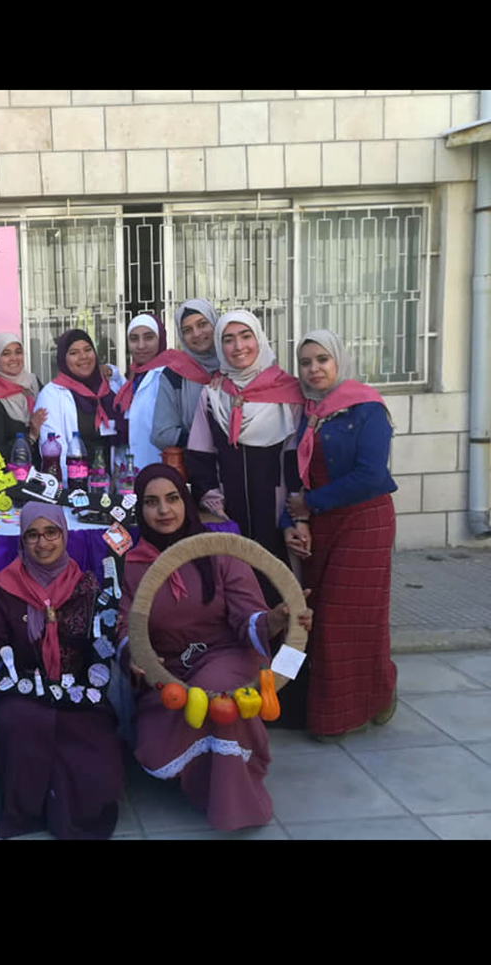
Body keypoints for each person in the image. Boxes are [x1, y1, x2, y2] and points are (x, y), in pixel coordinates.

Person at [118, 463, 312, 831]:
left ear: (186, 501)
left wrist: (276, 619)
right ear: (139, 509)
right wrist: (136, 655)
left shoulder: (219, 550)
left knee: (218, 696)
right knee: (168, 727)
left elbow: (247, 615)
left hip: (225, 655)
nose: (164, 510)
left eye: (173, 499)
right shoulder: (131, 564)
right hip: (169, 671)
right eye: (151, 502)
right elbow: (124, 626)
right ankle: (202, 785)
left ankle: (234, 805)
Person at [0, 503, 123, 840]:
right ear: (22, 540)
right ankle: (32, 809)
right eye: (32, 535)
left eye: (51, 532)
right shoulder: (6, 586)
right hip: (22, 693)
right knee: (21, 726)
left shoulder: (87, 585)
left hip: (78, 693)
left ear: (64, 534)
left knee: (99, 771)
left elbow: (100, 647)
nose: (42, 543)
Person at [281, 329, 398, 741]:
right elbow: (293, 470)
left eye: (322, 360)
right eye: (305, 363)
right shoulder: (307, 410)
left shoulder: (367, 407)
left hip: (364, 521)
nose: (313, 369)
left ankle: (342, 715)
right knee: (322, 614)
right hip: (323, 522)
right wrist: (296, 519)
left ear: (338, 361)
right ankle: (376, 694)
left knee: (344, 619)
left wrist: (309, 504)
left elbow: (371, 475)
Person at [186, 310, 303, 604]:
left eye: (246, 336)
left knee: (280, 585)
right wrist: (213, 498)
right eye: (228, 339)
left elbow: (296, 456)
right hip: (229, 509)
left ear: (259, 338)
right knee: (236, 586)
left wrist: (296, 512)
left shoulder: (288, 392)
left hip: (276, 508)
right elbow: (200, 453)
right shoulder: (213, 395)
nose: (238, 347)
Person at [33, 329, 125, 485]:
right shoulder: (51, 395)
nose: (83, 357)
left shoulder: (109, 389)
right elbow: (54, 452)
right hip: (74, 488)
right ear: (63, 358)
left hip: (111, 486)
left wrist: (117, 479)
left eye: (88, 350)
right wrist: (74, 489)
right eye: (74, 353)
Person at [151, 299, 221, 450]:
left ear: (215, 324)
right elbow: (161, 434)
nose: (196, 334)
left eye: (202, 324)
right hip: (196, 461)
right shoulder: (175, 374)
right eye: (187, 330)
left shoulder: (236, 365)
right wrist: (205, 441)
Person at [0, 331, 46, 465]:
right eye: (6, 354)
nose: (14, 358)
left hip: (45, 466)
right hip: (14, 473)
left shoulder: (33, 383)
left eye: (18, 352)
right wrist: (31, 435)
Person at [112, 313, 166, 470]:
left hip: (159, 469)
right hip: (129, 471)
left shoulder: (169, 375)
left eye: (148, 338)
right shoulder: (132, 378)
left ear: (160, 339)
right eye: (134, 339)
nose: (141, 346)